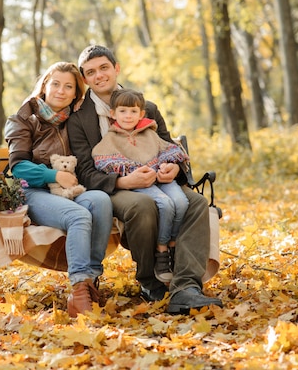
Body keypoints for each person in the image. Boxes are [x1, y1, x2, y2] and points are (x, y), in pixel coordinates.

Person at [67, 45, 222, 314]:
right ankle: (150, 280)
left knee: (196, 203)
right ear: (84, 79)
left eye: (104, 67)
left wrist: (173, 169)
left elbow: (167, 147)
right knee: (142, 205)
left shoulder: (145, 107)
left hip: (159, 181)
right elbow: (84, 170)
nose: (99, 75)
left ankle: (186, 287)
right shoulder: (79, 119)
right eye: (91, 72)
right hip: (112, 189)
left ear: (116, 68)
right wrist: (122, 183)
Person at [4, 61, 113, 317]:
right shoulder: (22, 119)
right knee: (79, 216)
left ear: (77, 94)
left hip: (71, 190)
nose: (60, 91)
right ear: (44, 85)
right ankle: (78, 292)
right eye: (55, 84)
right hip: (33, 191)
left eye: (68, 87)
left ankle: (89, 280)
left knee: (100, 201)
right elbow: (18, 167)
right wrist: (54, 175)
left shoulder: (76, 121)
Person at [91, 88, 189, 284]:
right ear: (113, 114)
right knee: (165, 204)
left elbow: (168, 148)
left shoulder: (148, 131)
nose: (128, 116)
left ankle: (172, 244)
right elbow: (101, 158)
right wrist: (131, 171)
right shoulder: (111, 137)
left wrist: (169, 164)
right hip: (140, 180)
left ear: (141, 114)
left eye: (133, 112)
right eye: (123, 111)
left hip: (160, 177)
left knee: (182, 202)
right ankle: (162, 251)